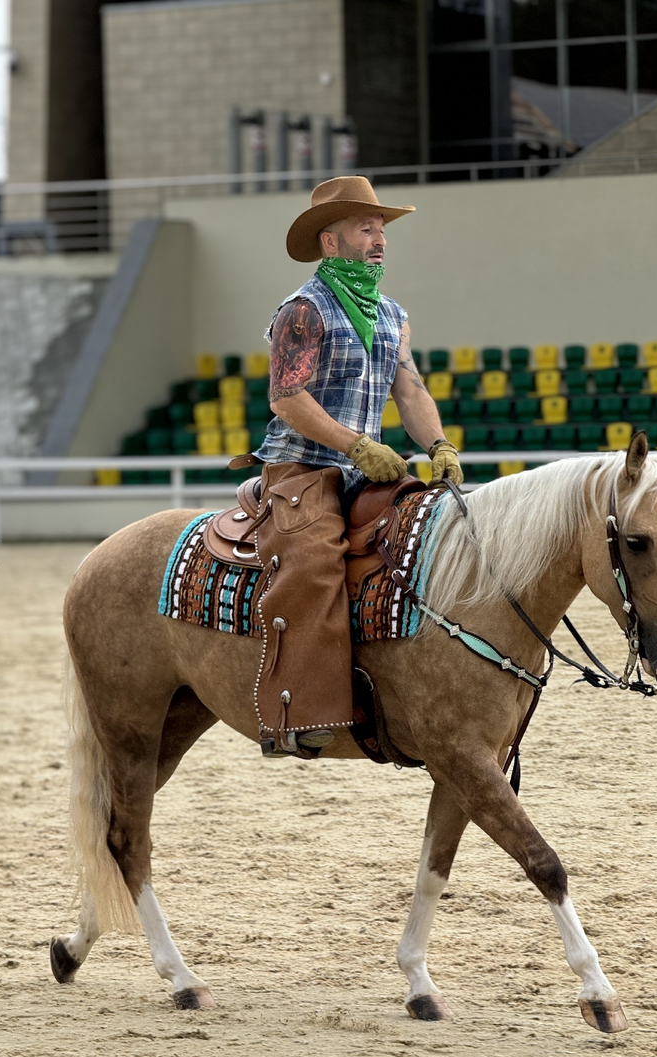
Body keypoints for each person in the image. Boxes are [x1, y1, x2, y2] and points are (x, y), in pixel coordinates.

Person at [248, 176, 463, 757]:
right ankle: (296, 712)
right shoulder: (302, 311)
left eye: (381, 228)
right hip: (302, 470)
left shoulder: (393, 316)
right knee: (315, 561)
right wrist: (355, 446)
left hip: (363, 469)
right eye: (366, 228)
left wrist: (440, 445)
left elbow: (410, 390)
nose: (380, 238)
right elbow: (286, 399)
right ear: (330, 240)